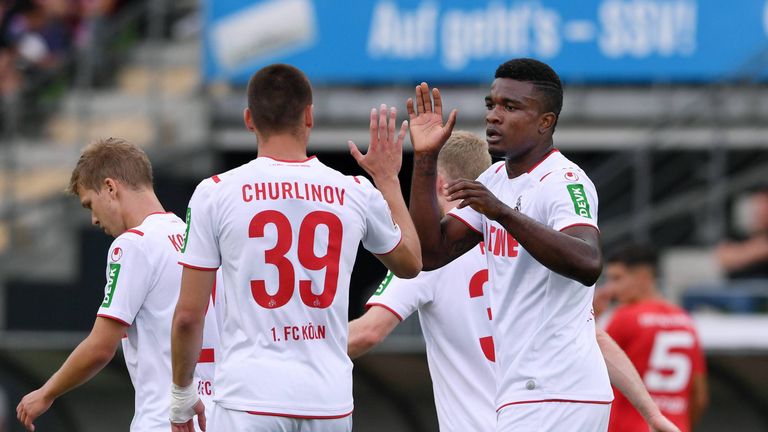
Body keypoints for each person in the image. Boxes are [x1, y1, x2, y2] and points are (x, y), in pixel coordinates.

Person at [350, 131, 680, 432]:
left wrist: (305, 347)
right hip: (550, 411)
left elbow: (368, 332)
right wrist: (651, 414)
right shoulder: (527, 246)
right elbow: (590, 336)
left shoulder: (426, 260)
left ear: (438, 183)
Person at [170, 64, 422, 432]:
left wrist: (181, 396)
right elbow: (411, 263)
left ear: (248, 119)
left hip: (249, 399)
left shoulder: (216, 192)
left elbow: (188, 316)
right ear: (309, 116)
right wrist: (387, 180)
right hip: (328, 401)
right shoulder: (353, 191)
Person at [406, 57, 625, 431]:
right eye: (491, 105)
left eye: (511, 107)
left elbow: (588, 262)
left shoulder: (564, 179)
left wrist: (502, 213)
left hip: (559, 388)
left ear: (545, 122)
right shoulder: (494, 179)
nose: (494, 116)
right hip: (524, 389)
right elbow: (430, 254)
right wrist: (425, 158)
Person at [15, 138, 218, 432]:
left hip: (165, 419)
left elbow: (101, 347)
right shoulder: (194, 238)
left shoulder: (134, 245)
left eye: (90, 205)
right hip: (214, 415)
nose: (95, 219)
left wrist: (45, 393)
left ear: (110, 188)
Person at [601, 244, 708, 432]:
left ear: (643, 277)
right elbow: (699, 396)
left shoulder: (624, 317)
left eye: (617, 278)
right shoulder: (685, 321)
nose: (610, 289)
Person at [715, 188, 768, 279]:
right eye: (759, 206)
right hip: (739, 286)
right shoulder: (740, 235)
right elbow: (723, 259)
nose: (762, 211)